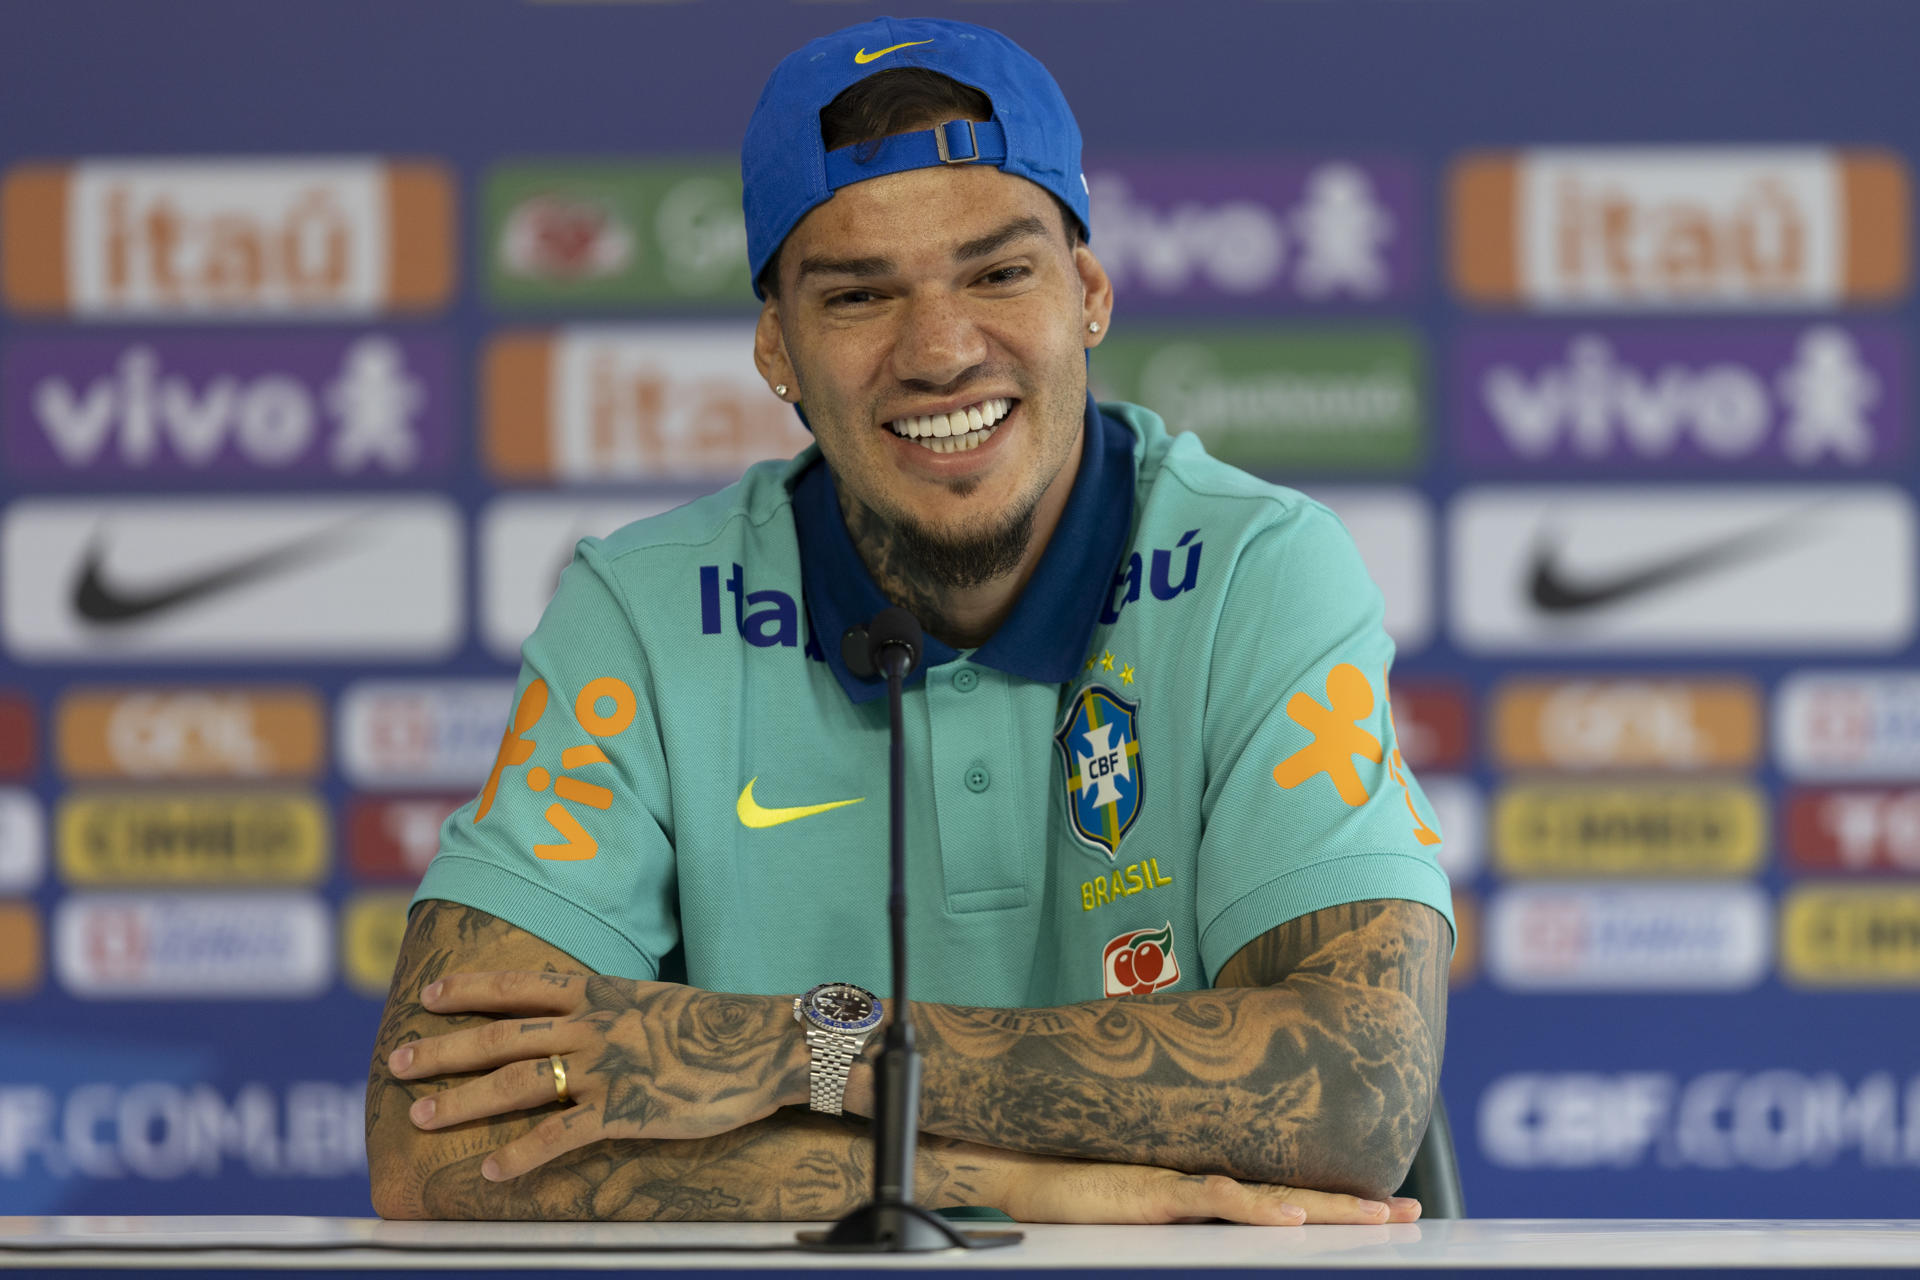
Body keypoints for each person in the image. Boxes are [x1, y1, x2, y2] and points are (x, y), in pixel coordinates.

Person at [366, 15, 1453, 1225]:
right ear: (777, 347)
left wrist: (795, 1044)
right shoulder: (645, 609)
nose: (940, 349)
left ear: (1087, 291)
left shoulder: (1256, 568)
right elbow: (437, 1151)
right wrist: (998, 1191)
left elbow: (1358, 1094)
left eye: (999, 273)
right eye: (859, 294)